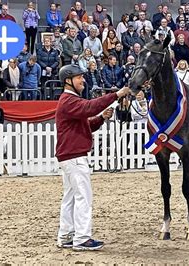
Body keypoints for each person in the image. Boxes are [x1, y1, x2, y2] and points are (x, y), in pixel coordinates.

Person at [55, 64, 131, 251]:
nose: (83, 80)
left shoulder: (69, 102)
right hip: (74, 156)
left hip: (68, 156)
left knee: (71, 197)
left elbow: (85, 125)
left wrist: (102, 118)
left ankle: (66, 235)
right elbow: (89, 107)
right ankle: (82, 238)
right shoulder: (69, 100)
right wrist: (116, 95)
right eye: (79, 77)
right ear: (68, 80)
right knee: (83, 197)